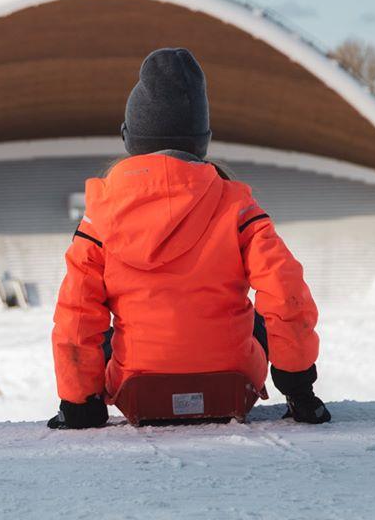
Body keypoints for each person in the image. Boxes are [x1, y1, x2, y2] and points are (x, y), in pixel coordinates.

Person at [47, 48, 331, 430]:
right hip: (232, 385)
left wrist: (79, 403)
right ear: (204, 140)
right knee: (257, 319)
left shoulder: (99, 220)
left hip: (138, 389)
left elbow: (77, 314)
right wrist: (298, 388)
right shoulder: (239, 209)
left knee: (106, 330)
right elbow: (285, 290)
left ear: (128, 137)